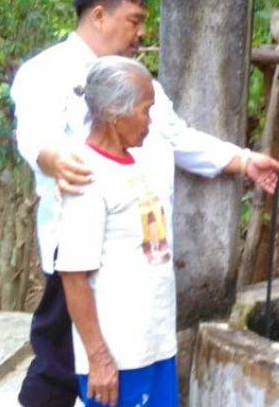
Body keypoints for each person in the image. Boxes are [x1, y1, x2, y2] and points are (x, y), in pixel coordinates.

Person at [10, 0, 279, 406]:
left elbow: (178, 137)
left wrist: (244, 161)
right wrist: (53, 157)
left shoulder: (140, 82)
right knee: (61, 367)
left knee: (120, 376)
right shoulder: (47, 73)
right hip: (83, 256)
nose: (141, 32)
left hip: (140, 262)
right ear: (100, 16)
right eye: (134, 21)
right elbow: (34, 135)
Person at [57, 55, 178, 406]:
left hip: (153, 346)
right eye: (145, 110)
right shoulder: (86, 176)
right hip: (119, 359)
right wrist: (99, 359)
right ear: (113, 112)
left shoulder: (136, 163)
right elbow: (74, 277)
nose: (150, 121)